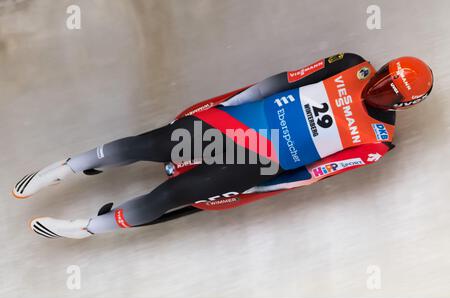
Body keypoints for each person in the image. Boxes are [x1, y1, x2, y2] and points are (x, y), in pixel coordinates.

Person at [12, 53, 433, 240]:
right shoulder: (349, 65)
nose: (379, 90)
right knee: (150, 145)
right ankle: (70, 165)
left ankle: (89, 228)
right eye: (382, 78)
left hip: (258, 163)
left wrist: (258, 188)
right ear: (376, 69)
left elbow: (310, 175)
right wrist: (228, 105)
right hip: (239, 123)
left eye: (390, 93)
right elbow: (281, 82)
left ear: (402, 105)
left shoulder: (377, 142)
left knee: (173, 194)